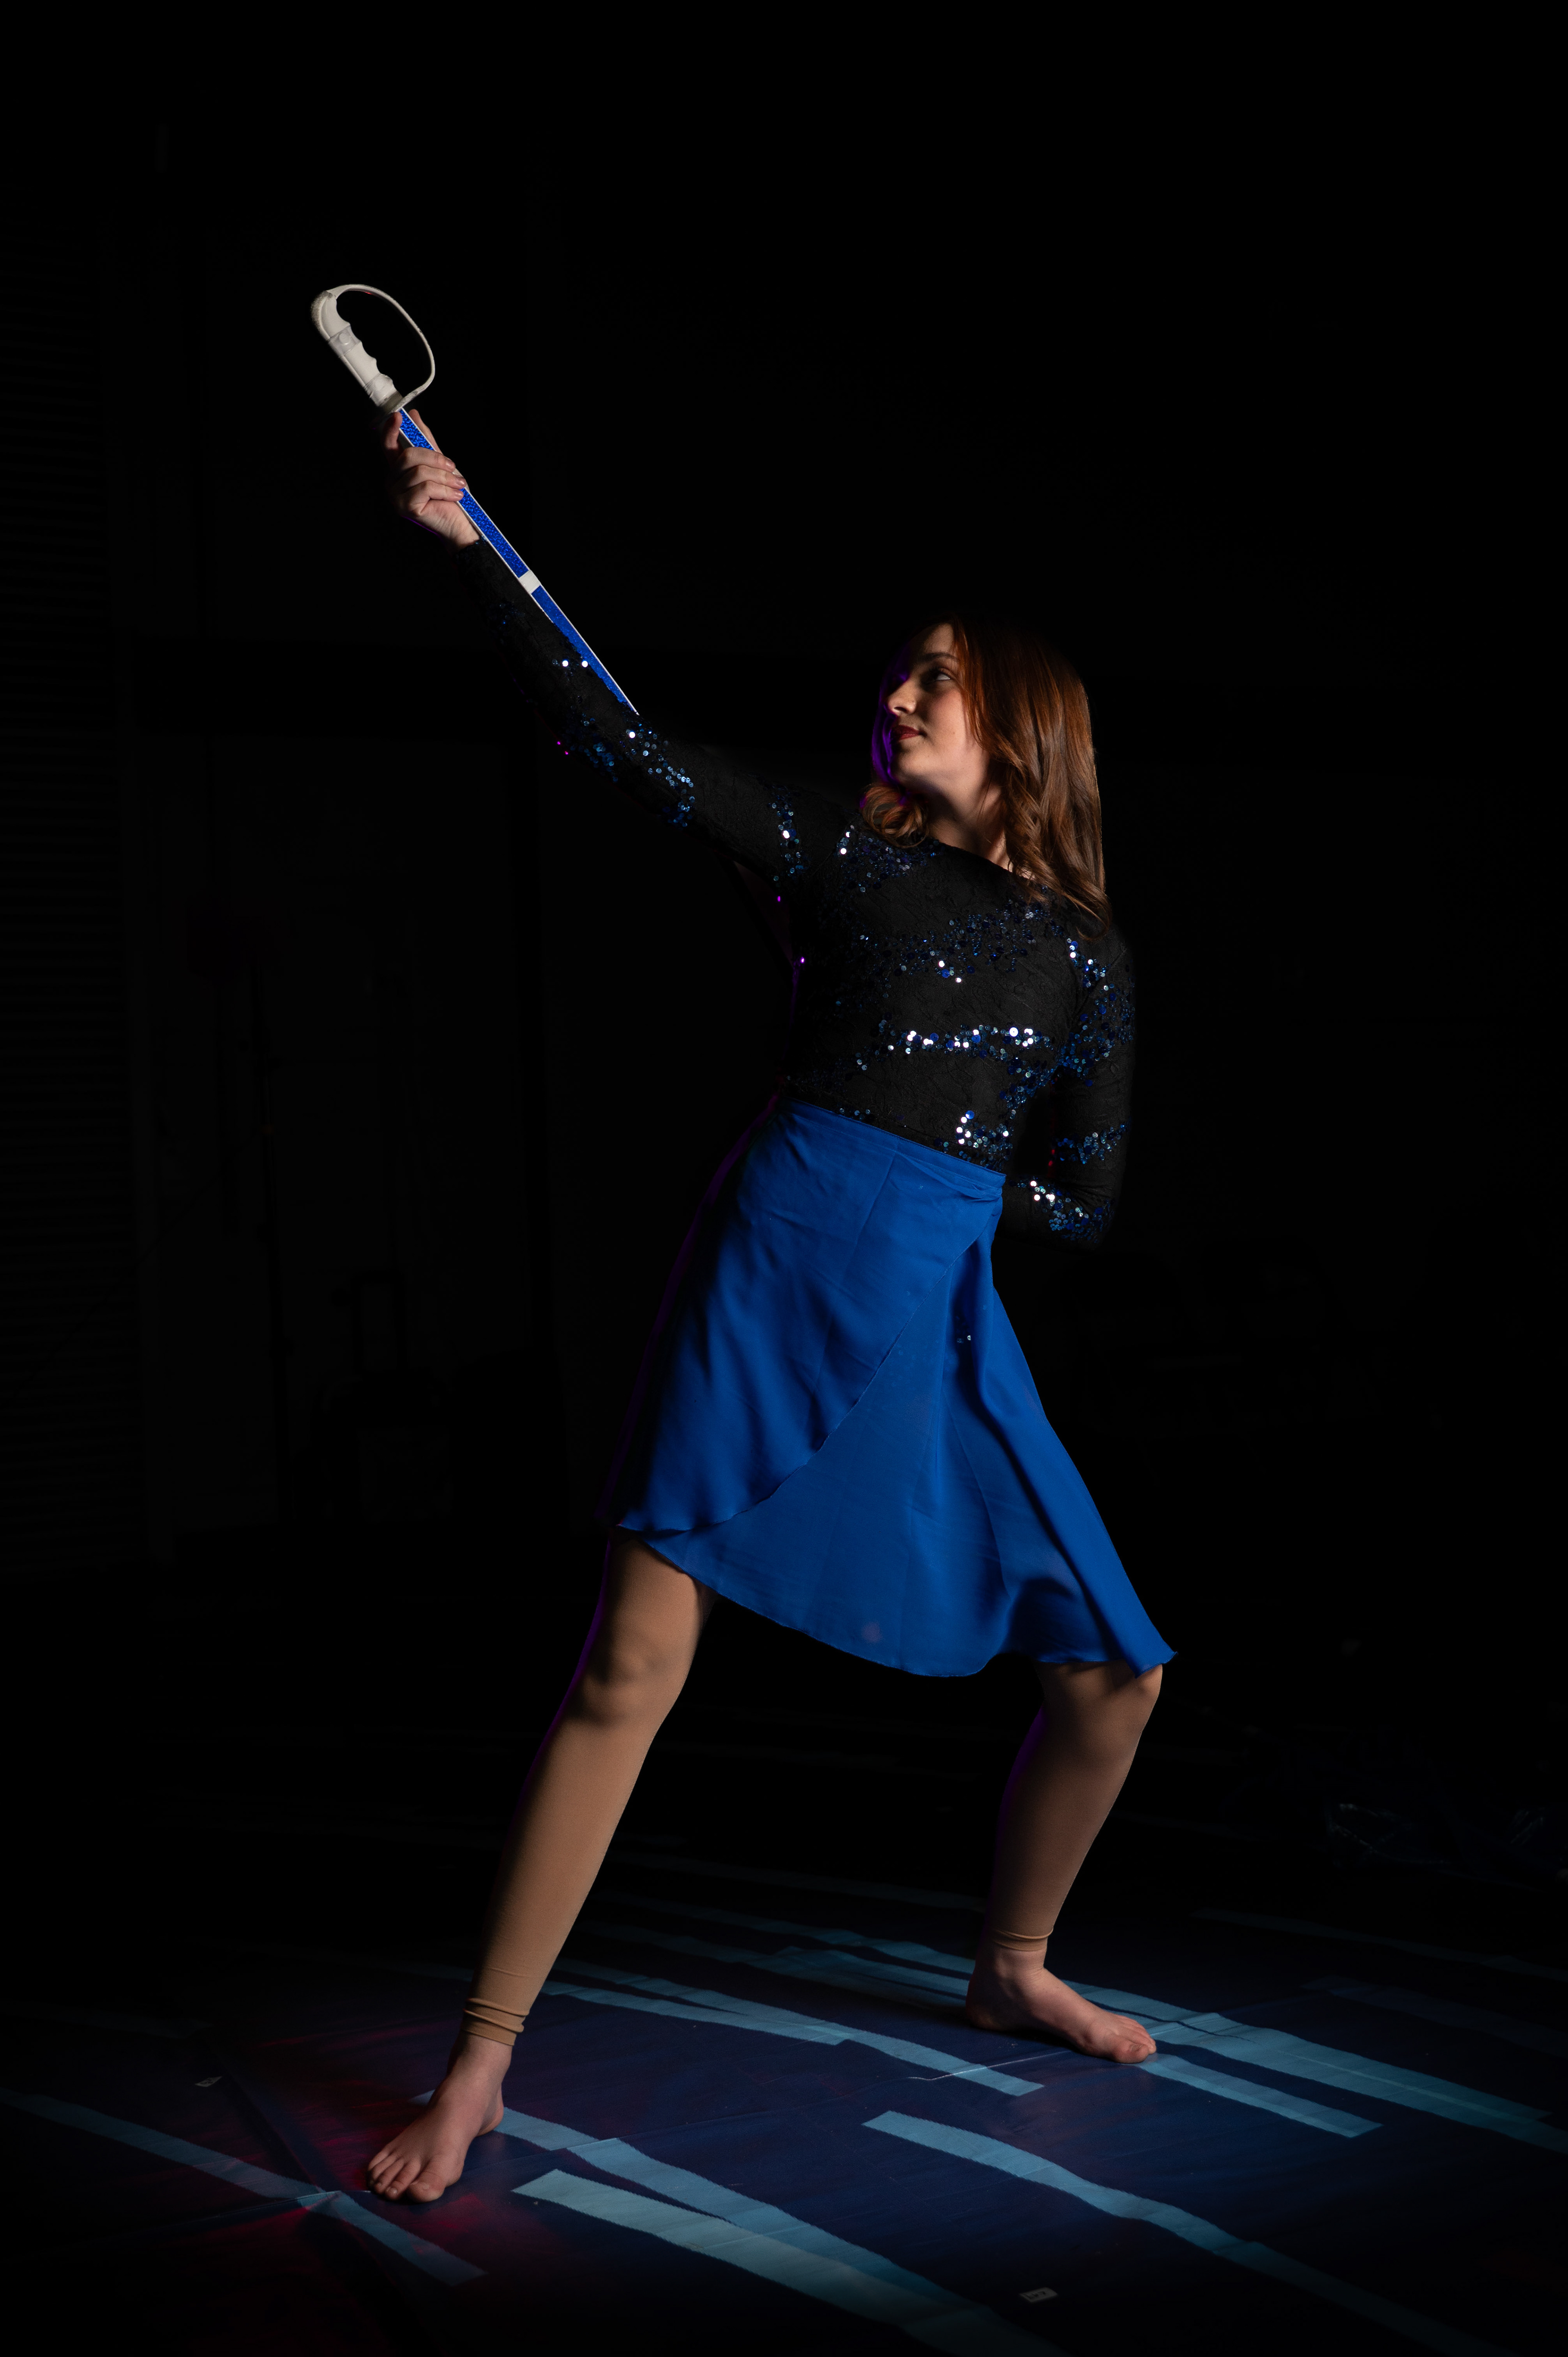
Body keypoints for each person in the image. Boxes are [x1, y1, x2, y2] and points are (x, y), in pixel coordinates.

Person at [367, 414, 1172, 2204]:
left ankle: (1013, 1961)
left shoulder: (1089, 959)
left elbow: (1088, 1202)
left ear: (1026, 726)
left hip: (937, 1296)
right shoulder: (847, 858)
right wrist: (482, 547)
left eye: (938, 679)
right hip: (783, 1249)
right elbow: (619, 739)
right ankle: (480, 2061)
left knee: (1119, 1674)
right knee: (632, 1668)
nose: (900, 695)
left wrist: (955, 1193)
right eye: (901, 673)